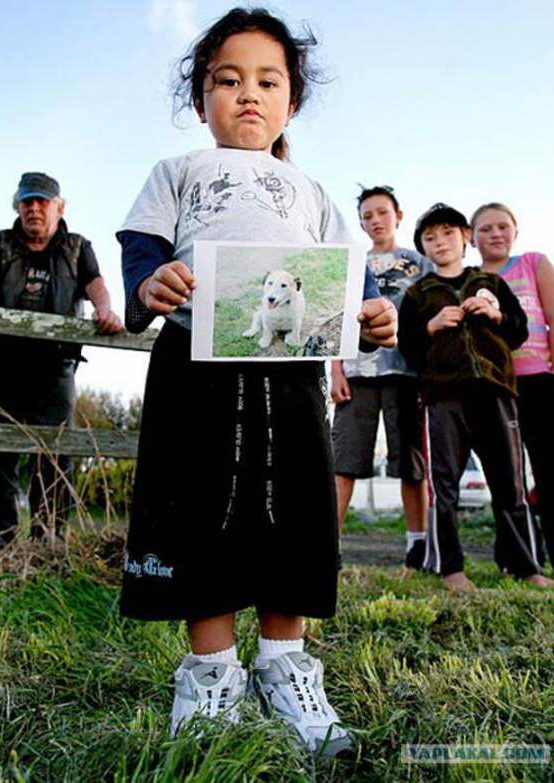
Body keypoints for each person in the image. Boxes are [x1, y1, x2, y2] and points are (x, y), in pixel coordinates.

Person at [116, 8, 396, 756]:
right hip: (193, 372)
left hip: (291, 375)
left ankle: (284, 665)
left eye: (267, 81)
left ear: (290, 102)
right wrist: (151, 284)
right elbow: (141, 253)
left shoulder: (310, 190)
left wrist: (373, 313)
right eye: (228, 80)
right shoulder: (175, 173)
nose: (248, 94)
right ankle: (209, 673)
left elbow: (352, 277)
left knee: (297, 507)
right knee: (197, 504)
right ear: (200, 98)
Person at [0, 172, 122, 546]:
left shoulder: (76, 247)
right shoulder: (0, 244)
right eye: (27, 201)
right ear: (17, 206)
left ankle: (48, 541)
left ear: (59, 207)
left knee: (56, 453)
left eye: (42, 201)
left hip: (54, 367)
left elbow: (96, 284)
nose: (34, 208)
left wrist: (106, 310)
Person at [398, 202, 554, 591]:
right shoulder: (419, 293)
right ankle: (450, 568)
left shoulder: (491, 284)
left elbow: (518, 331)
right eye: (430, 238)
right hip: (442, 396)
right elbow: (408, 348)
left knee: (510, 482)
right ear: (422, 247)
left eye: (448, 233)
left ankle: (527, 566)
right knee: (445, 484)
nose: (441, 243)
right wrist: (432, 326)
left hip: (495, 391)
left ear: (465, 237)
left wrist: (495, 315)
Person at [331, 185, 432, 570]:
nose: (375, 221)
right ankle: (331, 546)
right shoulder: (353, 264)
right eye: (367, 216)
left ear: (398, 216)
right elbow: (336, 319)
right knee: (345, 460)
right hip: (358, 372)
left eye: (382, 213)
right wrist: (336, 368)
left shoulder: (418, 262)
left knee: (410, 463)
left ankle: (417, 546)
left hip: (406, 374)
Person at [471, 203, 554, 576]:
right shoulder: (470, 278)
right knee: (507, 477)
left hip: (540, 380)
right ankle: (521, 559)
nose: (495, 234)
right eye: (485, 229)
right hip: (496, 387)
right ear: (472, 236)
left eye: (502, 227)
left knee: (553, 472)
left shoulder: (534, 264)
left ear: (515, 231)